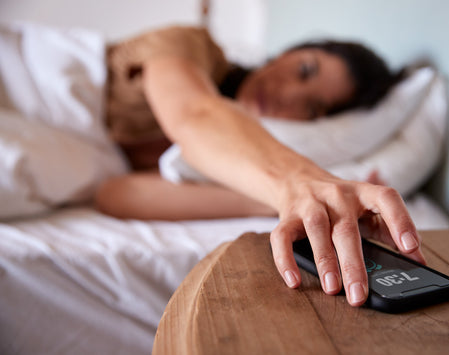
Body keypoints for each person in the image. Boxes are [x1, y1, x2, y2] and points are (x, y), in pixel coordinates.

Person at [95, 25, 426, 307]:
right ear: (288, 52)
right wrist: (300, 185)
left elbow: (116, 194)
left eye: (311, 108)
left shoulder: (237, 162)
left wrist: (277, 202)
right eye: (305, 70)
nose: (290, 95)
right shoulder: (189, 44)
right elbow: (195, 114)